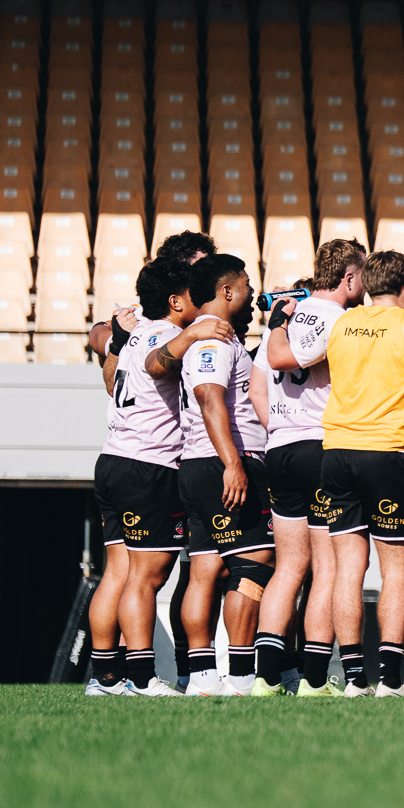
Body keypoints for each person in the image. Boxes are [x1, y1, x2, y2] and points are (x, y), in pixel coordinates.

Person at [305, 249, 404, 697]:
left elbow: (291, 357)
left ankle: (355, 680)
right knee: (397, 572)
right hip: (386, 454)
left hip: (336, 452)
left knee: (347, 570)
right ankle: (391, 679)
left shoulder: (341, 322)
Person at [244, 239, 368, 693]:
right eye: (362, 276)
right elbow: (285, 360)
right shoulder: (338, 319)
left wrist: (280, 427)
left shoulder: (286, 315)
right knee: (327, 567)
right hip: (319, 447)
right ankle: (315, 680)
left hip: (279, 447)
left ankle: (266, 678)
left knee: (289, 565)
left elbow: (257, 387)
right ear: (349, 277)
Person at [85, 262, 197, 695]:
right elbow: (161, 368)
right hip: (149, 465)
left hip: (113, 458)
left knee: (117, 572)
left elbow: (107, 367)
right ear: (175, 300)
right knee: (145, 577)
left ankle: (104, 678)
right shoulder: (170, 337)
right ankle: (142, 677)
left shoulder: (132, 336)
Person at [169, 254, 266, 694]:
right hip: (220, 462)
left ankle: (203, 675)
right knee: (254, 564)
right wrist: (233, 464)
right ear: (227, 291)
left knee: (205, 569)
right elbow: (210, 397)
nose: (252, 293)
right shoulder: (213, 340)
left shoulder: (211, 336)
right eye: (246, 285)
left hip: (196, 463)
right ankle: (241, 676)